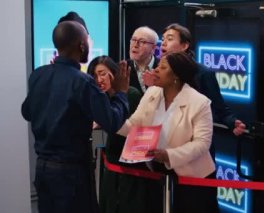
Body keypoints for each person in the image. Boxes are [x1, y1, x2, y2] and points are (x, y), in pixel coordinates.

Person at [21, 21, 130, 213]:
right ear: (81, 46)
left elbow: (27, 112)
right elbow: (112, 121)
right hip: (71, 174)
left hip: (43, 169)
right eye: (87, 41)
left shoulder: (38, 75)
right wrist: (120, 93)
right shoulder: (83, 82)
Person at [117, 52, 220, 213]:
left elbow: (202, 144)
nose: (156, 70)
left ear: (176, 77)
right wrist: (111, 121)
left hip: (192, 178)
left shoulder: (199, 102)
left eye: (162, 67)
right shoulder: (152, 93)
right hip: (158, 174)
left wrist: (168, 155)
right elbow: (134, 124)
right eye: (158, 66)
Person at [157, 23, 246, 136]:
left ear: (184, 46)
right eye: (163, 39)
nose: (163, 43)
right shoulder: (158, 71)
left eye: (169, 39)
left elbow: (219, 108)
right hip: (165, 138)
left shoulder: (203, 73)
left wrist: (233, 123)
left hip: (196, 139)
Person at [86, 56, 145, 213]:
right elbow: (100, 143)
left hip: (131, 170)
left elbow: (138, 132)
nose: (99, 79)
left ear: (115, 73)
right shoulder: (100, 97)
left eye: (102, 73)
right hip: (110, 167)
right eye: (94, 75)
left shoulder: (131, 94)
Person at [128, 26, 160, 94]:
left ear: (153, 48)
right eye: (133, 40)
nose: (135, 45)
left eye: (142, 41)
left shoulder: (163, 69)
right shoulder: (122, 70)